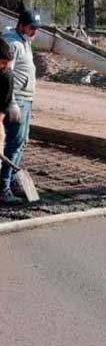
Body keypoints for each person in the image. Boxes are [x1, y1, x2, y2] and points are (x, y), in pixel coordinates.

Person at [1, 10, 40, 203]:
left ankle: (10, 181)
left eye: (37, 29)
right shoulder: (13, 43)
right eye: (32, 27)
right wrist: (12, 102)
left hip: (26, 100)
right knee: (14, 144)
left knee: (21, 142)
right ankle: (4, 187)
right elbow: (7, 75)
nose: (35, 32)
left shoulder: (24, 41)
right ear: (21, 25)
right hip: (17, 102)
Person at [0, 41, 20, 205]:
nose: (5, 66)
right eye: (3, 62)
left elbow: (2, 107)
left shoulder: (7, 76)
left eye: (7, 63)